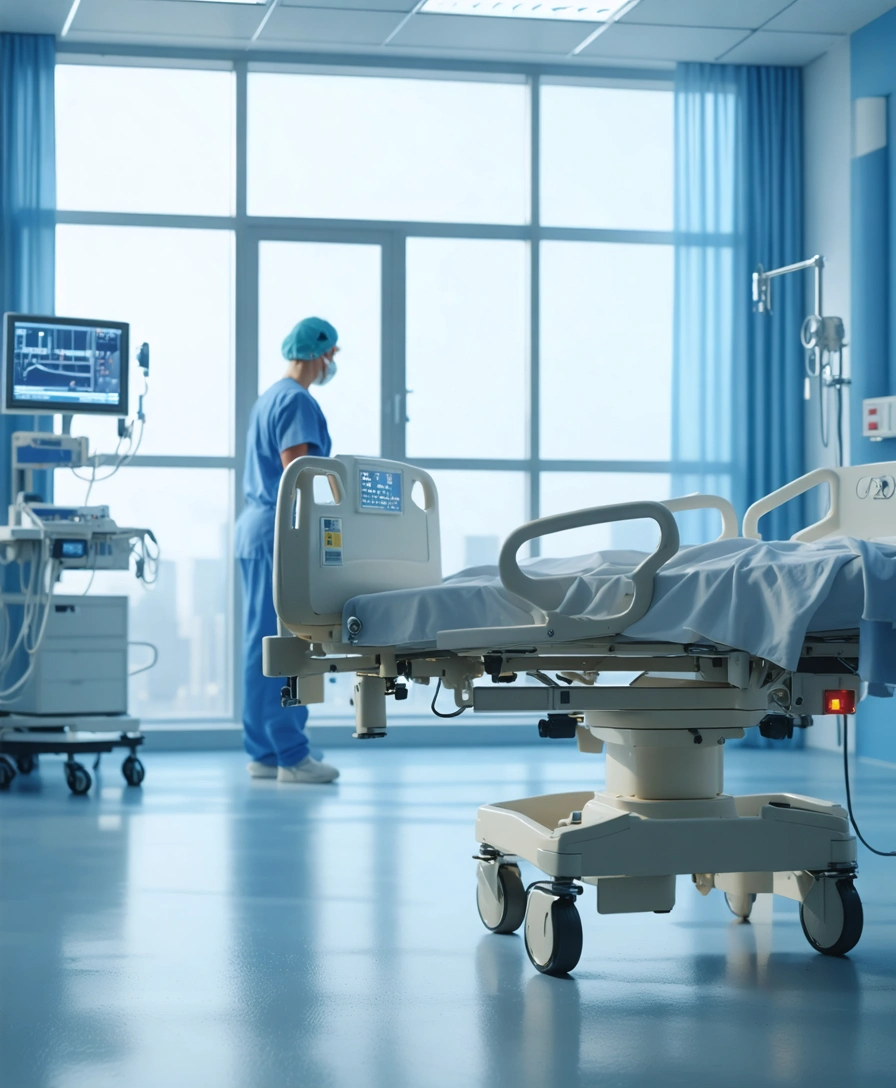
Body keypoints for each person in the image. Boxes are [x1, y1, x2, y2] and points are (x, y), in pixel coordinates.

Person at [235, 316, 341, 784]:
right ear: (322, 354)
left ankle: (263, 752)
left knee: (259, 642)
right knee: (287, 642)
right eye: (332, 354)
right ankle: (292, 757)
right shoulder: (296, 400)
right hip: (277, 535)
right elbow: (299, 475)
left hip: (255, 531)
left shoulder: (270, 398)